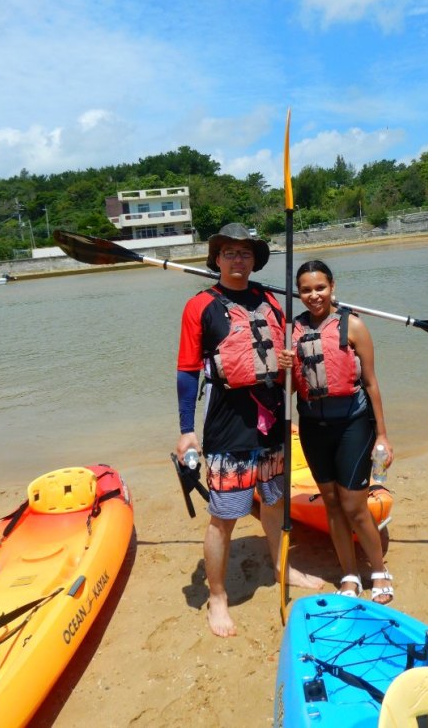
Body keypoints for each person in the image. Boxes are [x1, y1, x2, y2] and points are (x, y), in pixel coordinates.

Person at [175, 223, 323, 637]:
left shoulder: (269, 301)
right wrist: (187, 430)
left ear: (253, 260)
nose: (238, 259)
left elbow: (296, 341)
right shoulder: (199, 306)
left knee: (275, 504)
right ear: (217, 259)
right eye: (230, 253)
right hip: (228, 423)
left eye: (245, 253)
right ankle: (218, 598)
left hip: (272, 419)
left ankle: (283, 569)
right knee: (225, 517)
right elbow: (187, 372)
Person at [279, 259, 394, 603]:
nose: (314, 295)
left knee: (355, 506)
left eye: (320, 288)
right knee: (331, 504)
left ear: (332, 287)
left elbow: (371, 384)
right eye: (306, 290)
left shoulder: (354, 327)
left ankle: (379, 571)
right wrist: (283, 369)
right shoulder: (291, 332)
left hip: (353, 425)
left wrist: (383, 435)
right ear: (298, 293)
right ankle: (349, 574)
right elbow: (288, 392)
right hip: (314, 427)